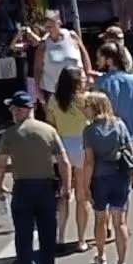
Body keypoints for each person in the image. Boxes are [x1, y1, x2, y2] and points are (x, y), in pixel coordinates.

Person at [0, 89, 71, 264]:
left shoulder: (11, 134)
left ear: (20, 110)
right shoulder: (49, 130)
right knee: (48, 233)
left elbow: (1, 165)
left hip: (22, 188)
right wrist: (66, 187)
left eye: (13, 109)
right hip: (46, 188)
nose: (12, 113)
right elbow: (63, 161)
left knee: (23, 235)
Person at [82, 90, 133, 264]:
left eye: (86, 106)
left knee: (100, 218)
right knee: (119, 221)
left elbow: (89, 161)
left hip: (99, 179)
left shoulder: (90, 131)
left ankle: (101, 255)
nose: (84, 109)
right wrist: (132, 177)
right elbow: (130, 151)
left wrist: (85, 186)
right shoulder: (119, 125)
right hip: (119, 177)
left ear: (95, 108)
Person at [48, 66, 91, 250]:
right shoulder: (85, 99)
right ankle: (81, 240)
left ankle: (60, 238)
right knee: (82, 196)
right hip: (82, 145)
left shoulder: (54, 100)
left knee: (64, 194)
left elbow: (51, 125)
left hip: (62, 146)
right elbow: (92, 119)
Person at [33, 8, 91, 107]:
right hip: (53, 90)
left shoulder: (72, 36)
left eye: (51, 26)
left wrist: (89, 74)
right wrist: (38, 89)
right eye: (46, 27)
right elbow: (38, 69)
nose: (48, 30)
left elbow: (84, 56)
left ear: (59, 23)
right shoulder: (43, 45)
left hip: (77, 87)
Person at [95, 38, 133, 145]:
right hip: (131, 136)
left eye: (100, 58)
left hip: (108, 137)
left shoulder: (101, 83)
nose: (97, 61)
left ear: (109, 60)